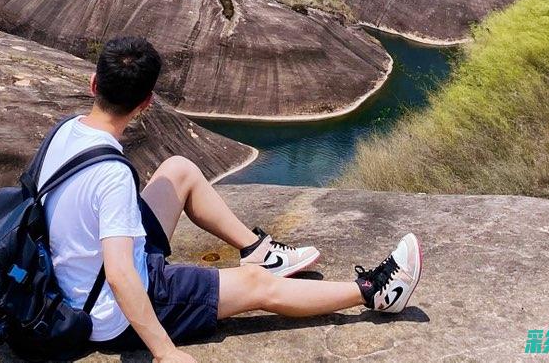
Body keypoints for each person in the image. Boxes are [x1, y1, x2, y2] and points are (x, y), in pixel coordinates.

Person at [38, 35, 422, 361]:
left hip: (77, 275)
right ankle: (376, 293)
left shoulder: (65, 132)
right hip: (113, 312)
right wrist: (164, 351)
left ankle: (257, 248)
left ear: (93, 85)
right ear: (146, 103)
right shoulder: (112, 175)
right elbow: (121, 275)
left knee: (178, 170)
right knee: (256, 285)